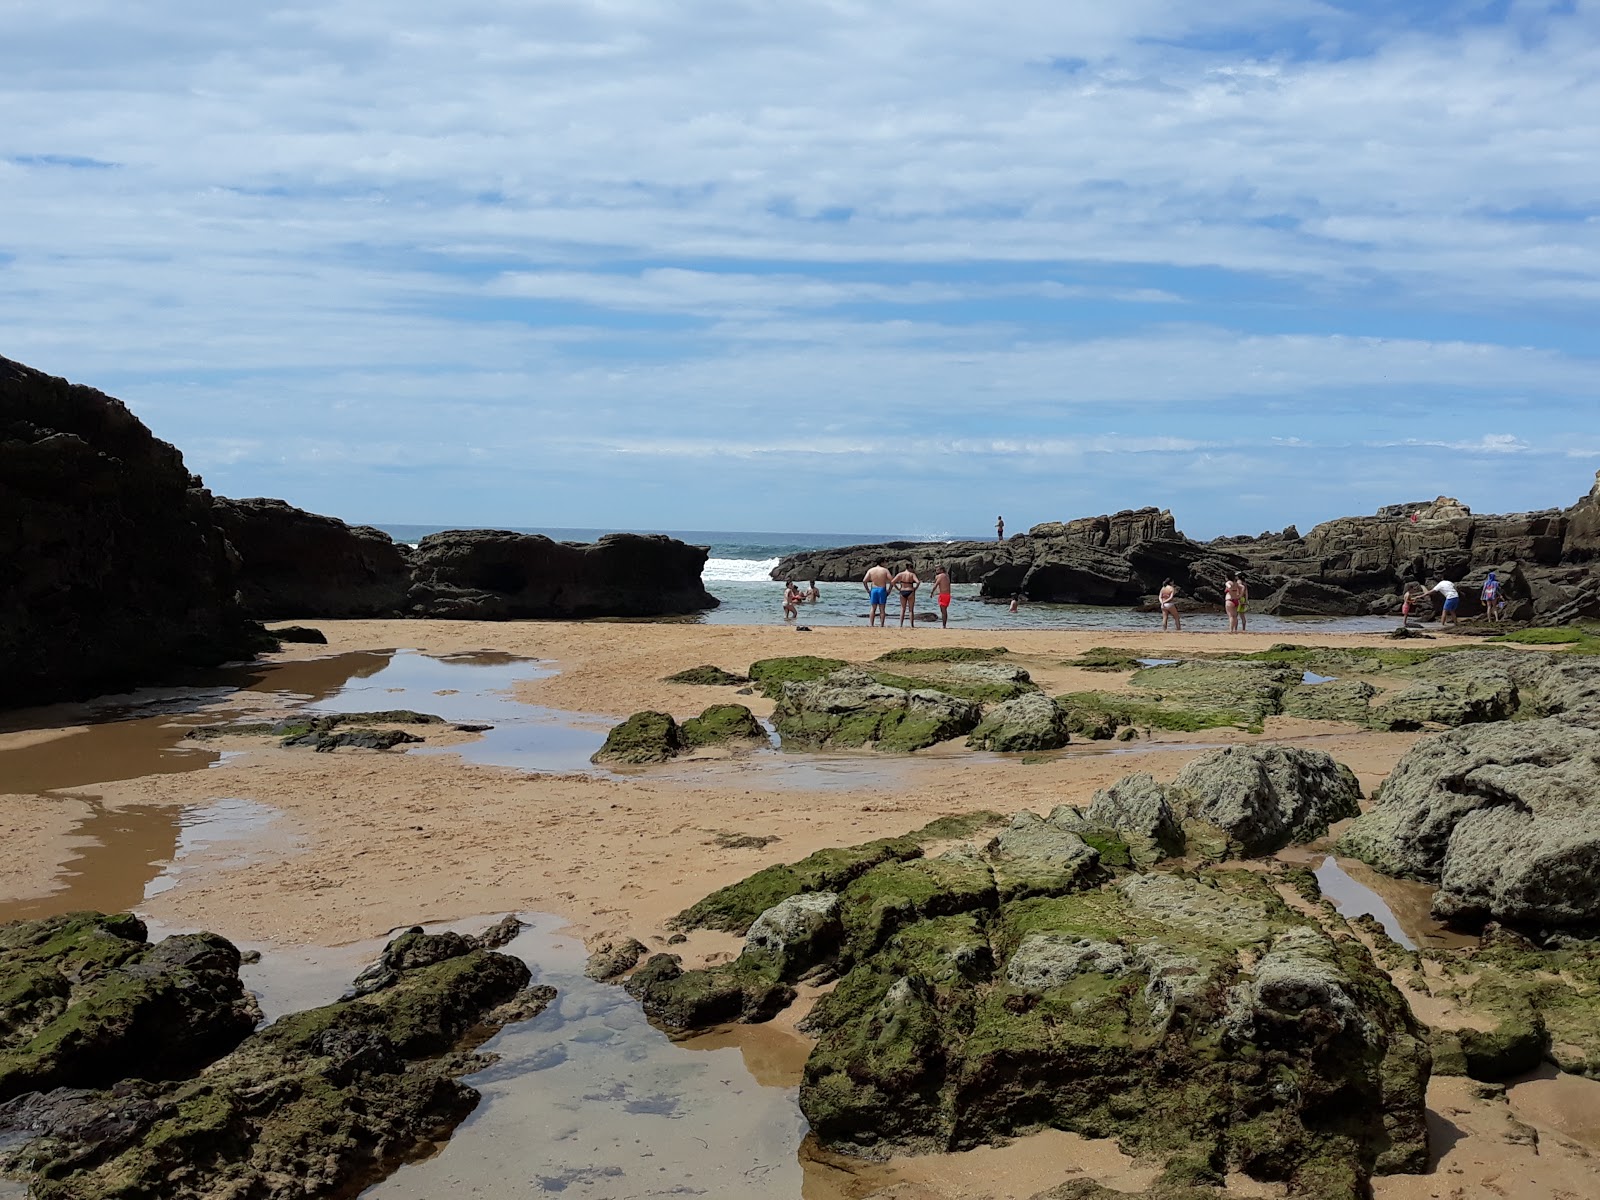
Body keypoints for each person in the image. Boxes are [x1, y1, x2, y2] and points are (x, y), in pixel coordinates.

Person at [863, 563, 892, 628]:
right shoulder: (885, 570)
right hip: (882, 589)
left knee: (873, 608)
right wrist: (889, 590)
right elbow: (892, 580)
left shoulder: (871, 570)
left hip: (874, 589)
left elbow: (864, 581)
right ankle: (882, 625)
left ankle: (872, 624)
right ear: (882, 562)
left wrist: (868, 590)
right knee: (882, 609)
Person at [891, 563, 920, 628]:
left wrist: (898, 588)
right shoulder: (912, 574)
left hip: (902, 590)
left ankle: (901, 624)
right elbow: (918, 582)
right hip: (910, 590)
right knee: (911, 609)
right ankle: (912, 625)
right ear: (910, 568)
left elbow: (892, 582)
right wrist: (915, 588)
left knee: (902, 609)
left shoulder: (900, 574)